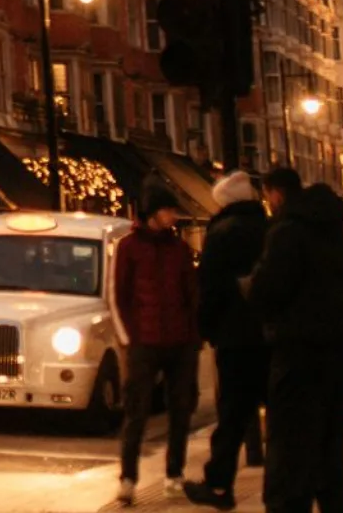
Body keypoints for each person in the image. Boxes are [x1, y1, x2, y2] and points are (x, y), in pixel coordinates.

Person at [246, 167, 343, 513]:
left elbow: (270, 290)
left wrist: (252, 288)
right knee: (329, 446)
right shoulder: (335, 234)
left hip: (296, 352)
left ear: (275, 193)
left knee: (290, 446)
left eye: (268, 197)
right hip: (334, 352)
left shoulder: (287, 232)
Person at [110, 185, 200, 506]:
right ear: (153, 213)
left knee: (181, 410)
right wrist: (129, 339)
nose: (173, 216)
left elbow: (191, 296)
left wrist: (193, 337)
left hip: (179, 341)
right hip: (144, 343)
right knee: (137, 412)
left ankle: (174, 474)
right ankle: (128, 479)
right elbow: (118, 295)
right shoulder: (129, 248)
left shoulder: (178, 249)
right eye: (169, 210)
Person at [186, 171, 268, 511]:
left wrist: (206, 329)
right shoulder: (270, 229)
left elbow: (211, 289)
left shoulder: (221, 234)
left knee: (233, 412)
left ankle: (219, 483)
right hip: (269, 333)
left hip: (235, 336)